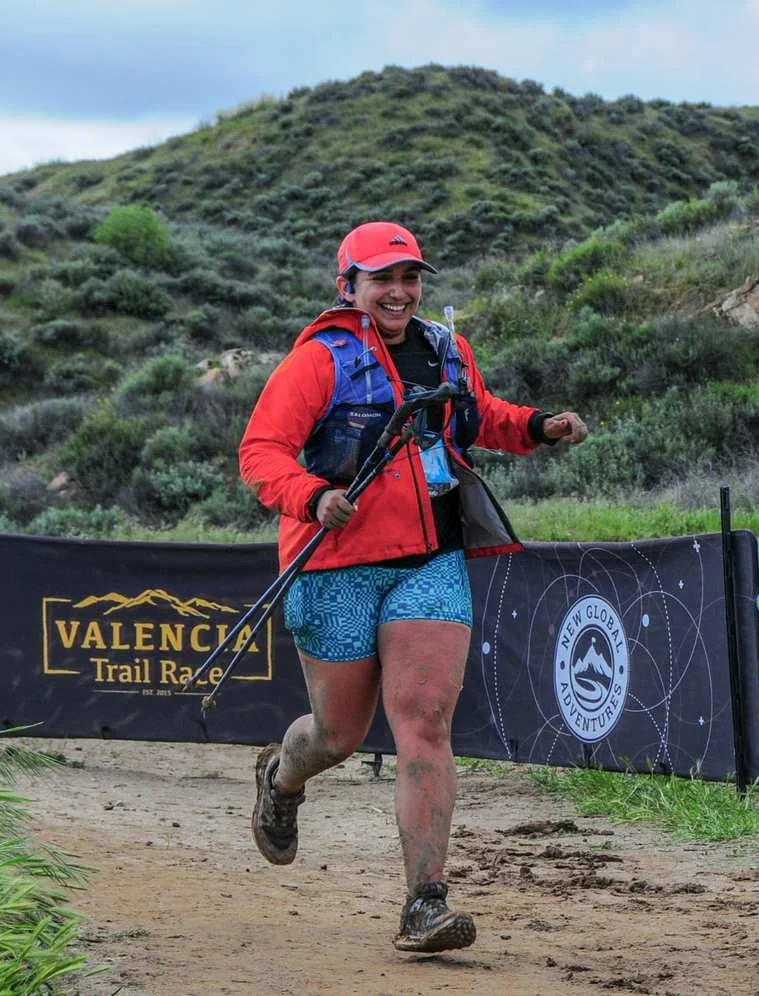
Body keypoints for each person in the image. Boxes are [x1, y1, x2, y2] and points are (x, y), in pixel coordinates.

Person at [237, 220, 588, 954]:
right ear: (349, 287)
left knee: (425, 718)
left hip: (430, 558)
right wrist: (311, 496)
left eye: (409, 277)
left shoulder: (446, 349)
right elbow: (260, 453)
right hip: (334, 560)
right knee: (337, 734)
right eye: (381, 279)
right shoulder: (317, 362)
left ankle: (424, 903)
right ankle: (283, 775)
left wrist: (536, 426)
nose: (398, 291)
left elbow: (477, 416)